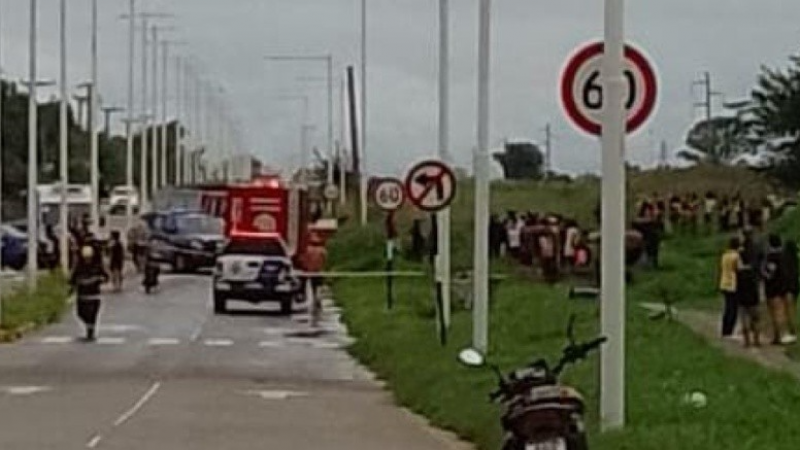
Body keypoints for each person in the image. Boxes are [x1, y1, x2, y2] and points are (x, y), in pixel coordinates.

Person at [69, 246, 109, 341]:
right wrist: (73, 286)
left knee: (92, 315)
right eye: (85, 257)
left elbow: (105, 277)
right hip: (82, 295)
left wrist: (99, 279)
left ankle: (90, 332)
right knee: (80, 313)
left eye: (89, 257)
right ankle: (89, 327)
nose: (87, 259)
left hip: (94, 295)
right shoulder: (79, 267)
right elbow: (72, 279)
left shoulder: (97, 266)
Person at [762, 234, 795, 345]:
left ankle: (780, 336)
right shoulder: (786, 255)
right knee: (788, 311)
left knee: (776, 312)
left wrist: (763, 274)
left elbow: (770, 273)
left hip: (774, 288)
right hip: (786, 286)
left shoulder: (772, 257)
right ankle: (791, 332)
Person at [719, 237, 741, 338]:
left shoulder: (724, 255)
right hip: (733, 283)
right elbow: (738, 269)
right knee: (733, 309)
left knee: (727, 307)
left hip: (724, 282)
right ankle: (730, 330)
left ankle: (725, 330)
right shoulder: (736, 256)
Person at [783, 239, 799, 337]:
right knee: (794, 307)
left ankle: (791, 329)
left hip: (788, 286)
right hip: (796, 285)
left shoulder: (785, 260)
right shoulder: (795, 259)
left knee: (788, 309)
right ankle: (793, 327)